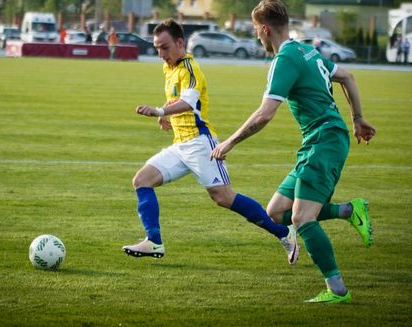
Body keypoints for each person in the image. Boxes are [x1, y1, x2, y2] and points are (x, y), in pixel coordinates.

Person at [211, 0, 376, 304]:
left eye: (256, 30)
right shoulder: (306, 50)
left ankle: (337, 290)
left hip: (324, 141)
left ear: (264, 29)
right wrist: (357, 118)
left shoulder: (284, 59)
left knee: (301, 218)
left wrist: (229, 142)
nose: (257, 36)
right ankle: (348, 211)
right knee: (276, 213)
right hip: (319, 140)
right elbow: (347, 77)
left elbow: (265, 114)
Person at [122, 18, 299, 265]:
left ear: (180, 43)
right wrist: (165, 113)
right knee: (142, 180)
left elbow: (189, 102)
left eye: (165, 47)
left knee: (223, 197)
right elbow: (177, 98)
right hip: (180, 144)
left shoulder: (191, 68)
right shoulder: (169, 68)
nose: (161, 54)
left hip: (200, 144)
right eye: (157, 48)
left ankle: (283, 233)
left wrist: (159, 111)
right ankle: (154, 241)